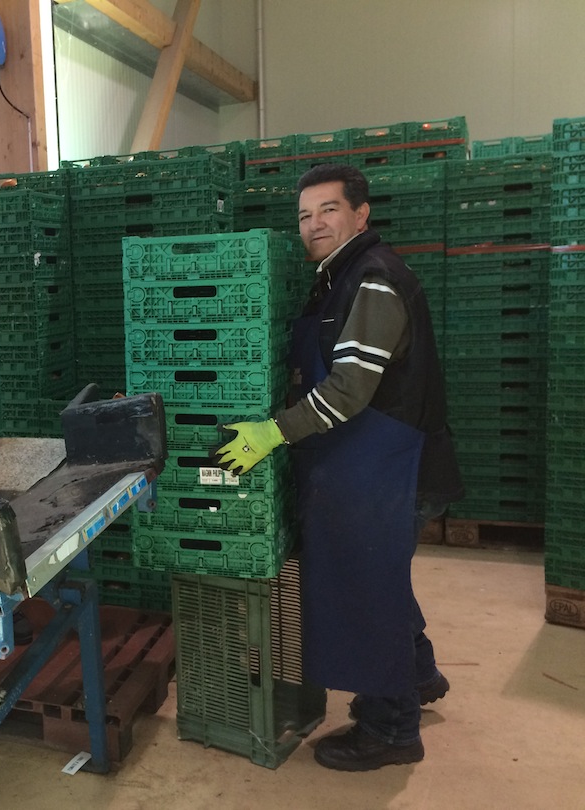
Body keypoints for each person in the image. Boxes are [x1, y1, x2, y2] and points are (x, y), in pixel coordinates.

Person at [215, 163, 463, 771]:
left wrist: (274, 431)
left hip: (388, 468)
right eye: (304, 215)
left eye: (327, 210)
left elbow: (351, 388)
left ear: (360, 213)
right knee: (383, 580)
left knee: (368, 591)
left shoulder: (373, 280)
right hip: (365, 467)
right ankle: (421, 675)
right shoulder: (338, 279)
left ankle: (392, 729)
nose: (314, 224)